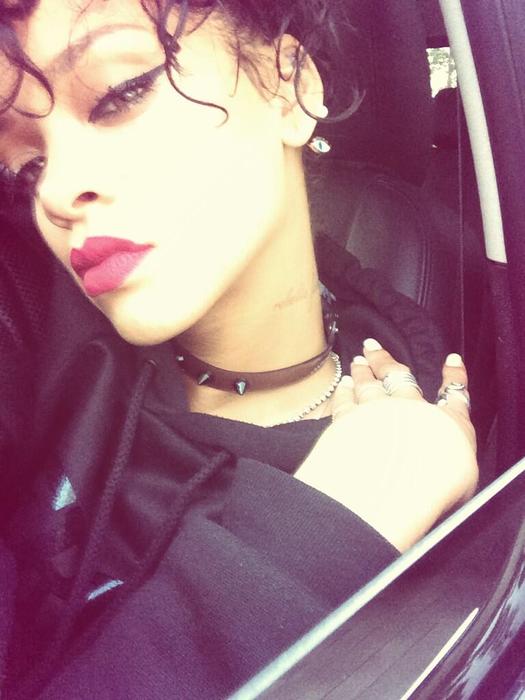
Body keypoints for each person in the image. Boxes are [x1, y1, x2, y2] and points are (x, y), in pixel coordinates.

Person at [0, 0, 478, 697]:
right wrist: (326, 531)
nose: (57, 193)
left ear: (291, 86)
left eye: (118, 94)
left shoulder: (418, 340)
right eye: (26, 166)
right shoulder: (34, 347)